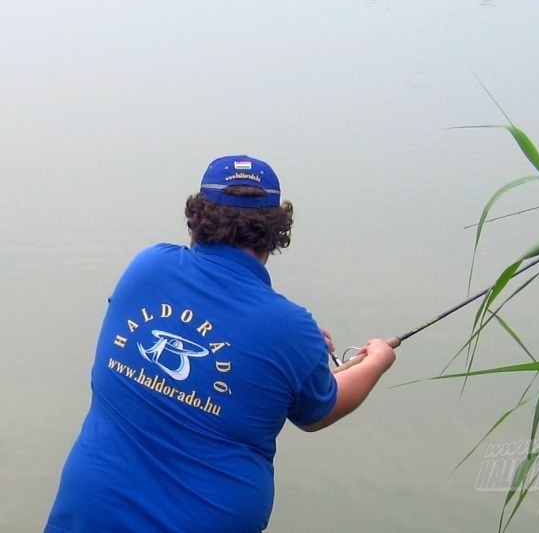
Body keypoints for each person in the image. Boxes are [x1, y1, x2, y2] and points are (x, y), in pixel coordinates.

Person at [44, 155, 396, 533]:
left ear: (198, 216)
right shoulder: (290, 327)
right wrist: (377, 359)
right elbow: (318, 413)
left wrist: (300, 348)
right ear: (277, 231)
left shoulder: (147, 266)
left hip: (90, 512)